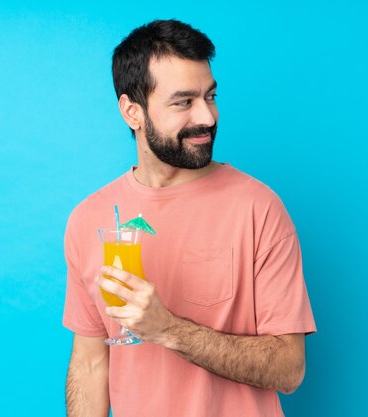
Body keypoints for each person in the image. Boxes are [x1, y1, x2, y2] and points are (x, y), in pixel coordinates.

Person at [63, 19, 316, 417]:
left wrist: (168, 330)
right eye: (184, 102)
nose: (208, 117)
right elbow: (91, 361)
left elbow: (290, 368)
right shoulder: (88, 220)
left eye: (210, 96)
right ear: (133, 112)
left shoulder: (258, 208)